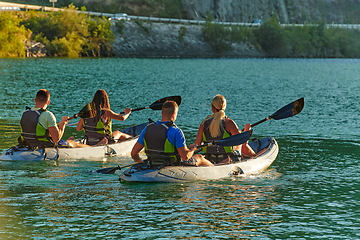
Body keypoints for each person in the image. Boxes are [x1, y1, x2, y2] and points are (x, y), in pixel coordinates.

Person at [131, 100, 213, 167]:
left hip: (153, 164)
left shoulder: (147, 129)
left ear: (161, 113)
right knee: (200, 157)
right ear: (174, 114)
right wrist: (192, 149)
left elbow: (134, 154)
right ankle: (215, 168)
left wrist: (141, 163)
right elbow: (185, 157)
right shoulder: (176, 131)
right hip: (172, 166)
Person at [195, 94, 256, 164]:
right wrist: (246, 131)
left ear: (212, 108)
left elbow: (197, 145)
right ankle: (253, 157)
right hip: (227, 158)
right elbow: (242, 142)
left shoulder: (204, 123)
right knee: (240, 144)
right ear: (225, 107)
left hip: (209, 158)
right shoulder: (229, 123)